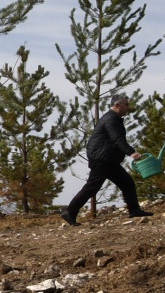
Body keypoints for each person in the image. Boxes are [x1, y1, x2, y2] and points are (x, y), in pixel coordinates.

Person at [62, 95, 152, 225]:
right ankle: (70, 212)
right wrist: (131, 152)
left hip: (108, 159)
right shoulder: (111, 119)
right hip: (101, 159)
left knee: (127, 183)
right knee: (91, 187)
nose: (128, 107)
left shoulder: (113, 118)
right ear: (117, 105)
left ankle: (134, 210)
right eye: (126, 105)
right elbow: (117, 139)